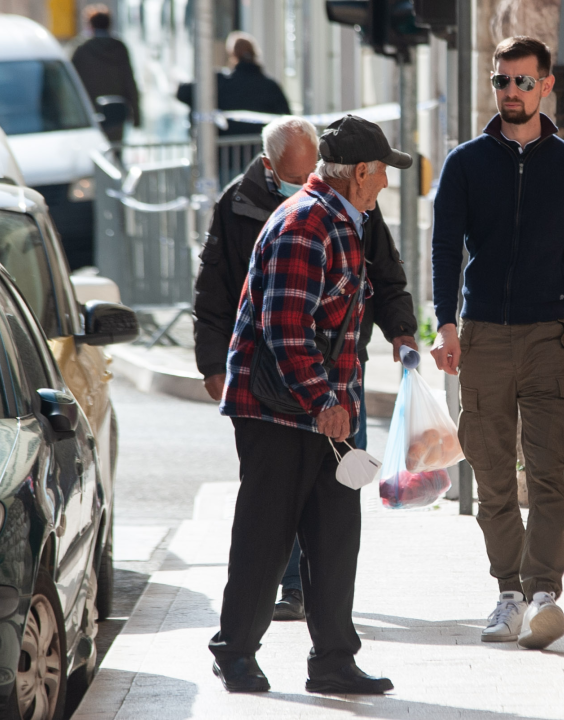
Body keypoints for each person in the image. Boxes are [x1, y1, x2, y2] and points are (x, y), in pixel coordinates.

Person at [210, 115, 412, 694]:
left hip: (324, 411)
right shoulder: (306, 224)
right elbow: (286, 327)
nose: (385, 186)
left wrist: (341, 397)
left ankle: (332, 661)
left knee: (334, 532)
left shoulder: (343, 218)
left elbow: (346, 312)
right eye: (381, 175)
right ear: (360, 174)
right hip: (282, 410)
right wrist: (325, 399)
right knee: (266, 533)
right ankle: (235, 651)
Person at [430, 36, 564, 651]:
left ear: (545, 86)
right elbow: (445, 247)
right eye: (502, 81)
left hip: (549, 338)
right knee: (493, 473)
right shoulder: (466, 163)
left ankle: (543, 595)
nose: (510, 91)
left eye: (522, 82)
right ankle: (508, 591)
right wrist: (444, 324)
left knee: (551, 472)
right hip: (482, 337)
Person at [176, 32, 291, 138]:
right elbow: (287, 118)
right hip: (260, 153)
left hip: (224, 155)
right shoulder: (271, 86)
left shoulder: (219, 81)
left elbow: (183, 93)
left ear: (232, 55)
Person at [70, 5, 141, 142]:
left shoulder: (81, 49)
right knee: (115, 150)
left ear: (90, 25)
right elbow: (129, 81)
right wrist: (136, 116)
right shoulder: (119, 47)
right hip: (117, 110)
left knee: (96, 151)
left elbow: (71, 83)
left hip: (90, 110)